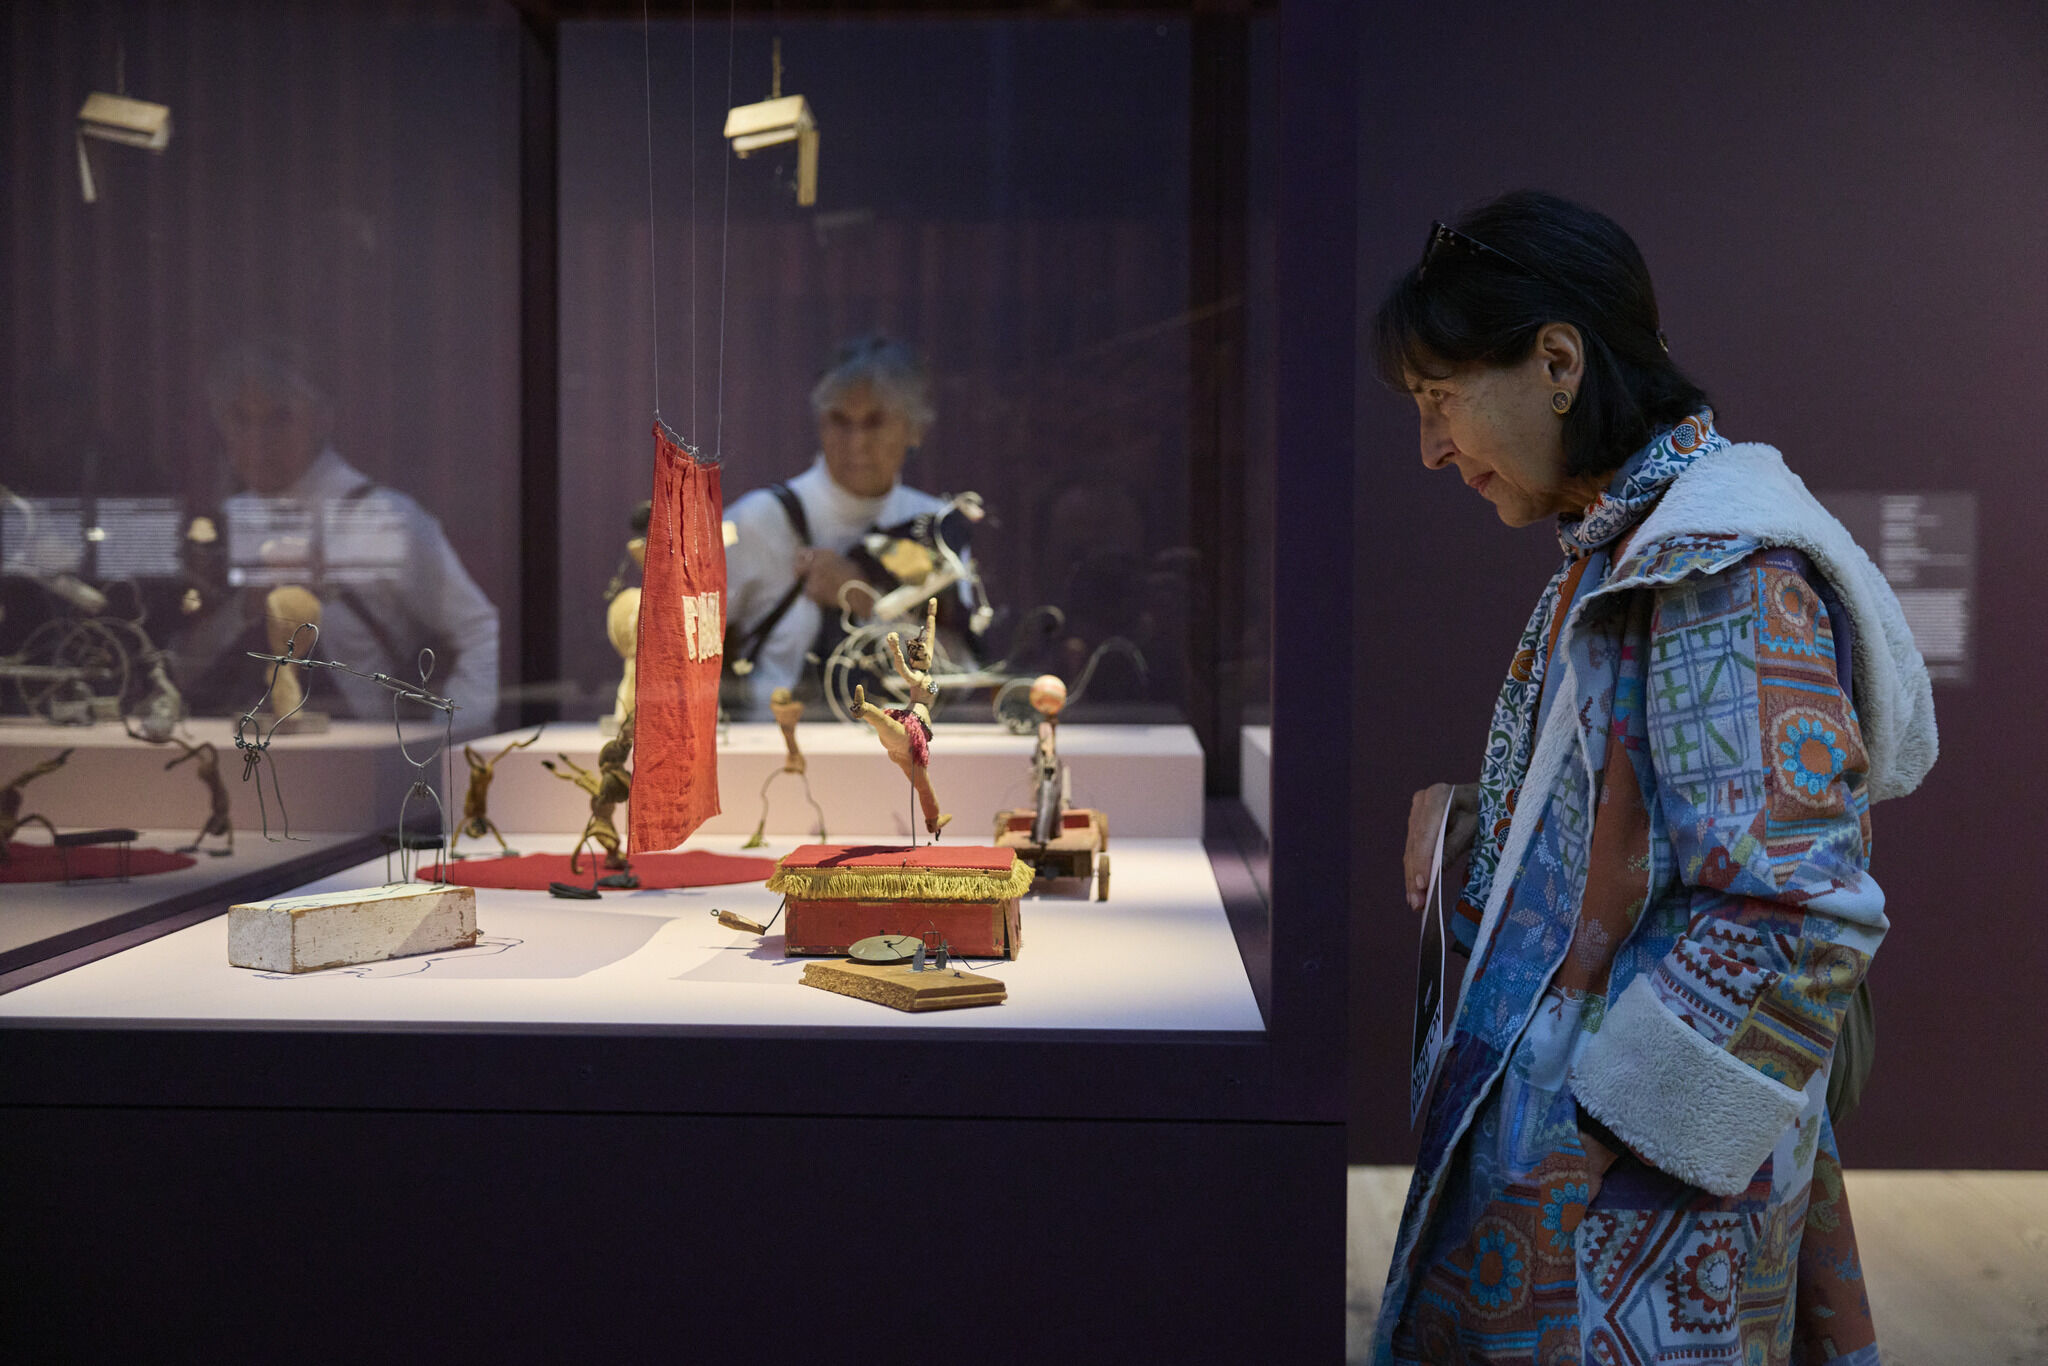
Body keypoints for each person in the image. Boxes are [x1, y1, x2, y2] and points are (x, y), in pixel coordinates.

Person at [1369, 192, 1936, 1366]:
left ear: (1556, 361)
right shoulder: (1633, 542)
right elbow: (1660, 827)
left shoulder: (1718, 571)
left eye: (1439, 398)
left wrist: (1601, 1135)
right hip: (1597, 1196)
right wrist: (1475, 819)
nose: (1429, 448)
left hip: (1633, 1227)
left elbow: (1798, 912)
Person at [172, 341, 499, 734]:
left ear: (320, 419)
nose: (258, 439)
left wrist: (443, 742)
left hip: (359, 756)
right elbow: (176, 670)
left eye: (279, 418)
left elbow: (480, 633)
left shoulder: (386, 519)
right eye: (240, 419)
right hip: (223, 747)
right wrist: (245, 610)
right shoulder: (215, 527)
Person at [720, 335, 974, 719]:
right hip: (773, 745)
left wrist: (866, 602)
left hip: (902, 748)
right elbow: (687, 653)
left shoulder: (938, 529)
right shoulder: (756, 521)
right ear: (820, 424)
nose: (856, 443)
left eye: (875, 423)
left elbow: (963, 677)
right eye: (840, 421)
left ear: (915, 429)